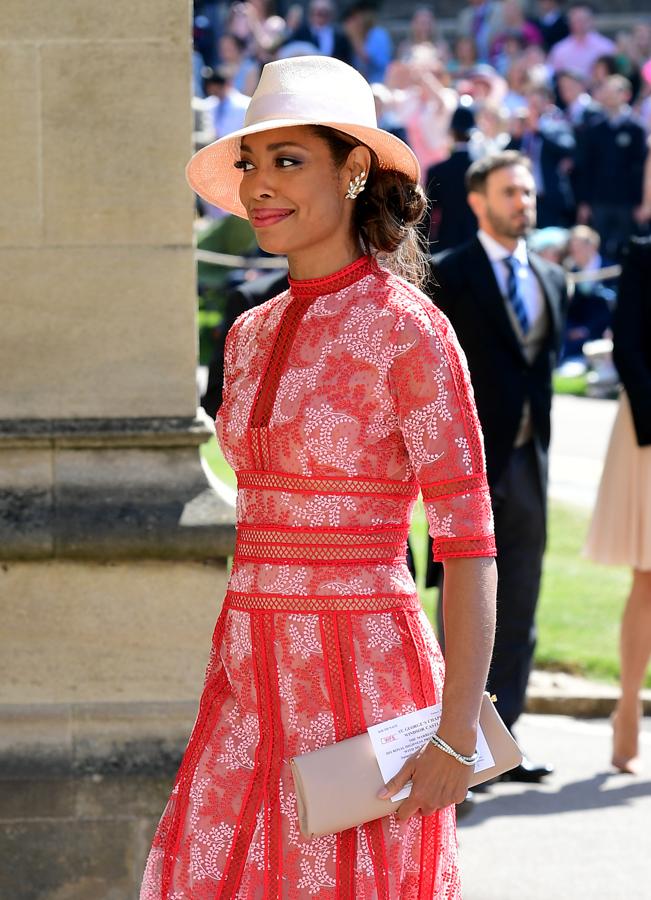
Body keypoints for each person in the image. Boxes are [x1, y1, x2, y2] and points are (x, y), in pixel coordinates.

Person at [141, 56, 498, 898]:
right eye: (250, 163)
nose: (259, 185)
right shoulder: (248, 333)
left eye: (288, 160)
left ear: (354, 169)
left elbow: (469, 542)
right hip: (247, 665)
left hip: (365, 679)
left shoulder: (410, 331)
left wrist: (455, 735)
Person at [426, 151, 568, 781]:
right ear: (478, 201)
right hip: (467, 468)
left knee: (521, 601)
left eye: (528, 192)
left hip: (529, 462)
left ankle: (503, 744)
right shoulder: (447, 276)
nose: (523, 203)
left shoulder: (552, 278)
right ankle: (452, 742)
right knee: (463, 605)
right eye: (510, 192)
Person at [584, 237, 651, 774]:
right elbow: (627, 346)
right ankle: (627, 706)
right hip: (648, 430)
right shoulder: (643, 255)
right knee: (647, 576)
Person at [576, 75, 647, 260]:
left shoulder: (636, 129)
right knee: (601, 248)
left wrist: (642, 203)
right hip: (600, 200)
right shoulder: (595, 128)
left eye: (613, 91)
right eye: (605, 91)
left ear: (626, 94)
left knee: (629, 248)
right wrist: (585, 201)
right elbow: (587, 167)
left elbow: (642, 169)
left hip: (628, 203)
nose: (607, 96)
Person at [425, 104, 478, 251]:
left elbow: (427, 214)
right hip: (476, 241)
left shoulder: (437, 170)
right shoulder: (482, 169)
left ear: (452, 132)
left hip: (446, 240)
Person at [547, 2, 615, 78]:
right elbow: (554, 76)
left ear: (591, 20)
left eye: (583, 20)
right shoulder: (560, 50)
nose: (580, 24)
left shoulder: (606, 47)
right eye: (576, 20)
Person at [286, 0, 354, 63]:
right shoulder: (301, 32)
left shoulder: (340, 37)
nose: (319, 17)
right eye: (316, 13)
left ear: (330, 15)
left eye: (323, 13)